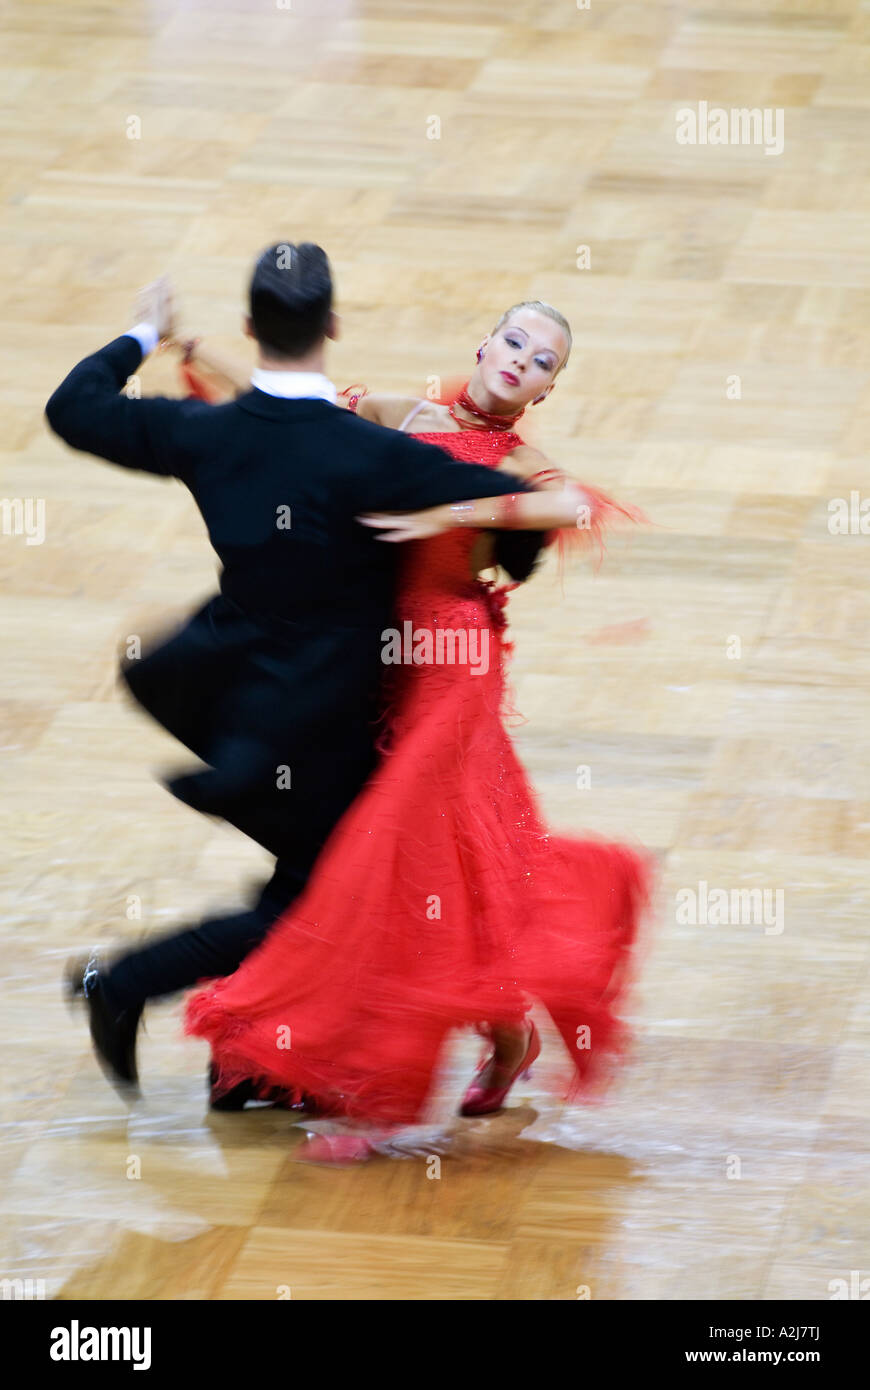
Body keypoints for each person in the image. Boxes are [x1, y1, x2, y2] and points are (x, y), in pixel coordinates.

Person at [45, 244, 541, 1101]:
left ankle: (253, 1068)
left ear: (249, 327)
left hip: (228, 707)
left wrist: (141, 331)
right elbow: (521, 526)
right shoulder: (375, 456)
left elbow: (74, 408)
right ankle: (125, 986)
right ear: (334, 327)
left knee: (316, 882)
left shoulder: (203, 432)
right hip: (322, 733)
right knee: (327, 902)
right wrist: (496, 552)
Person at [180, 300, 652, 1163]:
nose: (522, 360)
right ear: (484, 345)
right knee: (468, 870)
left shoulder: (517, 458)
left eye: (543, 360)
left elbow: (577, 504)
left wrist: (452, 517)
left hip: (457, 670)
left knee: (395, 867)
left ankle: (379, 1098)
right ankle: (509, 1042)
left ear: (547, 389)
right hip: (381, 662)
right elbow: (291, 416)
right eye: (515, 341)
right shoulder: (401, 413)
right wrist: (192, 350)